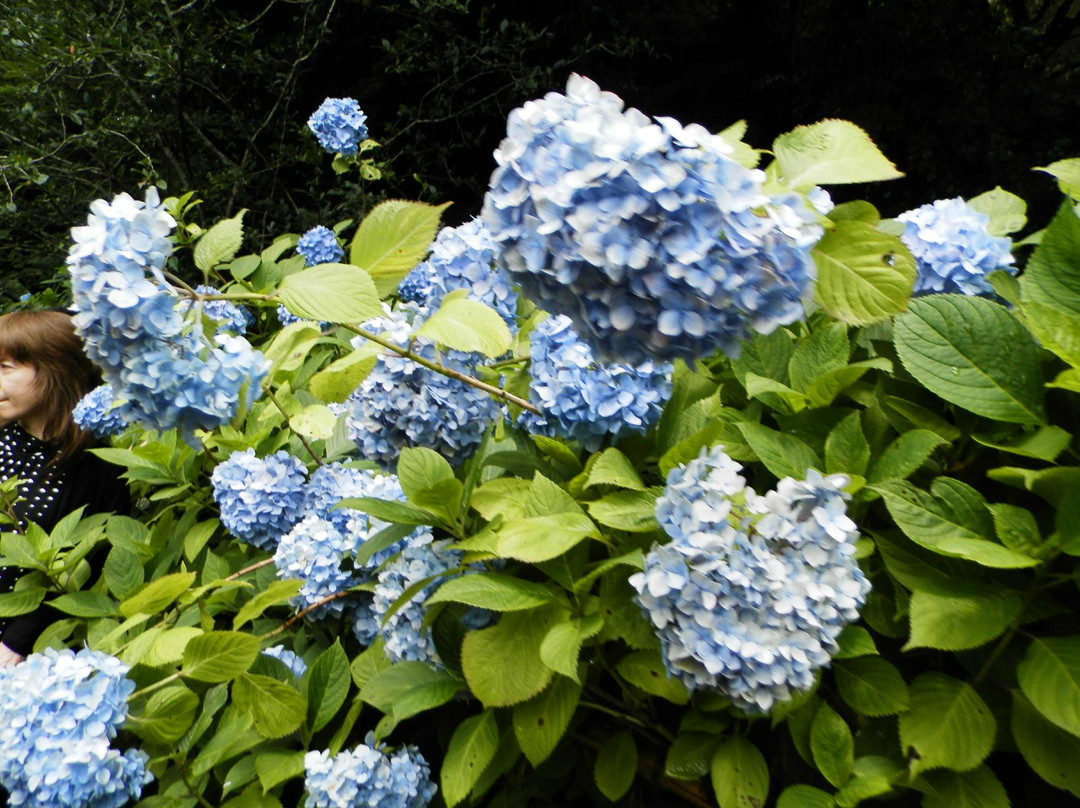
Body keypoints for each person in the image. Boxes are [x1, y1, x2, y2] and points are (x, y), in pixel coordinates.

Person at [0, 310, 130, 667]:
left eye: (6, 367)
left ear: (54, 370)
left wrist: (17, 642)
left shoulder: (100, 465)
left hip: (34, 660)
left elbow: (95, 565)